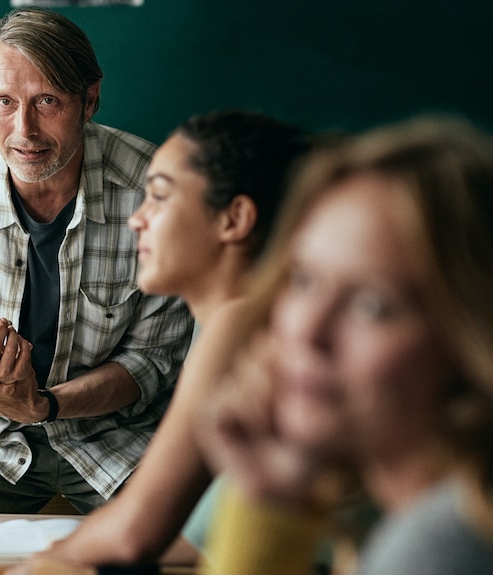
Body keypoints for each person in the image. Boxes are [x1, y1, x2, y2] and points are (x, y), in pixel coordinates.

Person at [0, 7, 193, 515]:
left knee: (170, 549)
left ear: (90, 100)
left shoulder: (156, 196)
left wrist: (45, 405)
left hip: (119, 436)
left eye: (47, 101)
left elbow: (150, 363)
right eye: (4, 102)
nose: (24, 129)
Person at [6, 110, 310, 573]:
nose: (137, 220)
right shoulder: (236, 323)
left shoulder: (238, 325)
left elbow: (134, 534)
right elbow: (198, 539)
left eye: (160, 197)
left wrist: (48, 562)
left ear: (235, 219)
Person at [197, 116, 493, 574]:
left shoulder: (441, 546)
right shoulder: (401, 518)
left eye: (373, 306)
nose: (307, 332)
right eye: (304, 279)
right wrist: (273, 499)